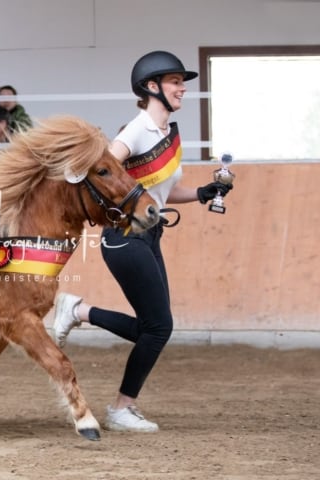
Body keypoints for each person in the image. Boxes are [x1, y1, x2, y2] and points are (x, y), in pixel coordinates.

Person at [52, 51, 233, 433]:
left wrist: (203, 192)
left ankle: (80, 312)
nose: (183, 88)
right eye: (175, 82)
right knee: (159, 327)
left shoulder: (166, 134)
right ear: (152, 87)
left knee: (156, 327)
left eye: (181, 83)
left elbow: (164, 192)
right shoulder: (135, 131)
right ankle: (120, 409)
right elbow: (101, 169)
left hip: (151, 234)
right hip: (123, 236)